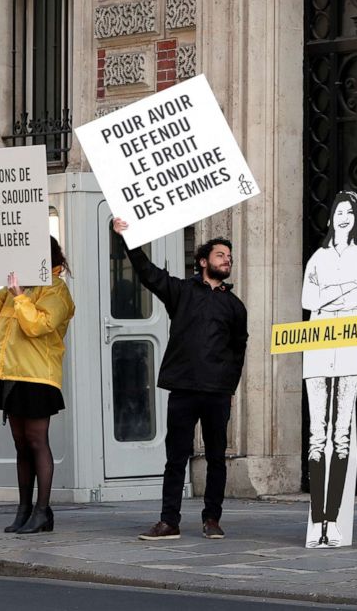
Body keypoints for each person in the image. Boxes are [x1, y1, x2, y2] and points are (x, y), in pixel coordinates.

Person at [112, 218, 248, 541]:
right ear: (203, 261)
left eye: (229, 256)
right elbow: (147, 273)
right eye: (220, 255)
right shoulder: (182, 292)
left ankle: (212, 519)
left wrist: (229, 388)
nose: (226, 259)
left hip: (217, 392)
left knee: (217, 458)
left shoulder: (235, 306)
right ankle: (168, 521)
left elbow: (238, 349)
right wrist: (126, 238)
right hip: (184, 388)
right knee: (176, 457)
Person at [0, 238, 75, 534]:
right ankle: (24, 508)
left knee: (37, 442)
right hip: (12, 375)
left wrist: (20, 296)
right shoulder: (18, 287)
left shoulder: (56, 290)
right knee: (21, 445)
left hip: (37, 376)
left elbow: (37, 326)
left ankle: (43, 510)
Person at [301, 191, 357, 548]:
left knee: (341, 435)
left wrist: (330, 294)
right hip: (317, 342)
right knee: (317, 435)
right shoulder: (318, 256)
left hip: (349, 341)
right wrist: (342, 291)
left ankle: (333, 521)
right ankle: (316, 523)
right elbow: (306, 300)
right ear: (331, 217)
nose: (343, 217)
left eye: (350, 212)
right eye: (338, 212)